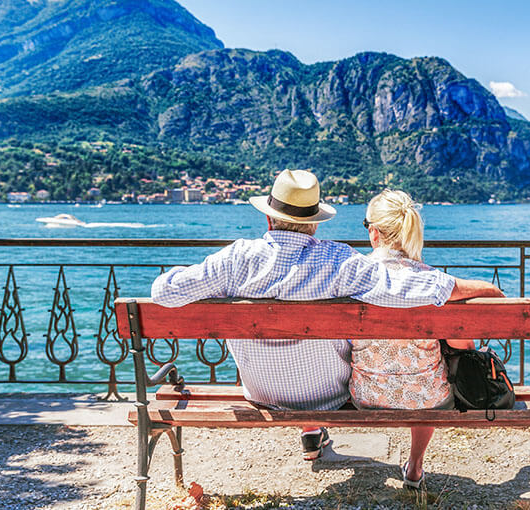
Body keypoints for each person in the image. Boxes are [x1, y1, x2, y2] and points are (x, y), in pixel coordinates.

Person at [151, 169, 503, 461]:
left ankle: (311, 433)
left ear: (268, 216)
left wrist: (213, 277)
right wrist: (477, 288)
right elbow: (404, 289)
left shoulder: (235, 258)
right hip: (328, 397)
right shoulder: (337, 260)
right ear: (315, 223)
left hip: (258, 391)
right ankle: (317, 426)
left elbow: (163, 292)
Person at [349, 189, 489, 490]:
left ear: (374, 232)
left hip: (365, 397)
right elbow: (491, 299)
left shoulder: (350, 277)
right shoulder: (434, 281)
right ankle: (415, 467)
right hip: (429, 400)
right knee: (427, 376)